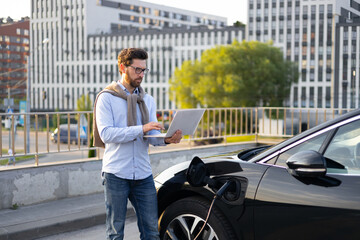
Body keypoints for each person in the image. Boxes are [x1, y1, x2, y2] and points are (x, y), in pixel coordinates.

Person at [93, 48, 182, 240]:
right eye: (137, 69)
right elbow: (107, 134)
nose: (141, 74)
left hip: (142, 174)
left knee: (151, 231)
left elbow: (151, 134)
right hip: (116, 173)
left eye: (144, 70)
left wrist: (167, 139)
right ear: (122, 67)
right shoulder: (106, 97)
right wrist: (141, 128)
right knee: (116, 233)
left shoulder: (147, 99)